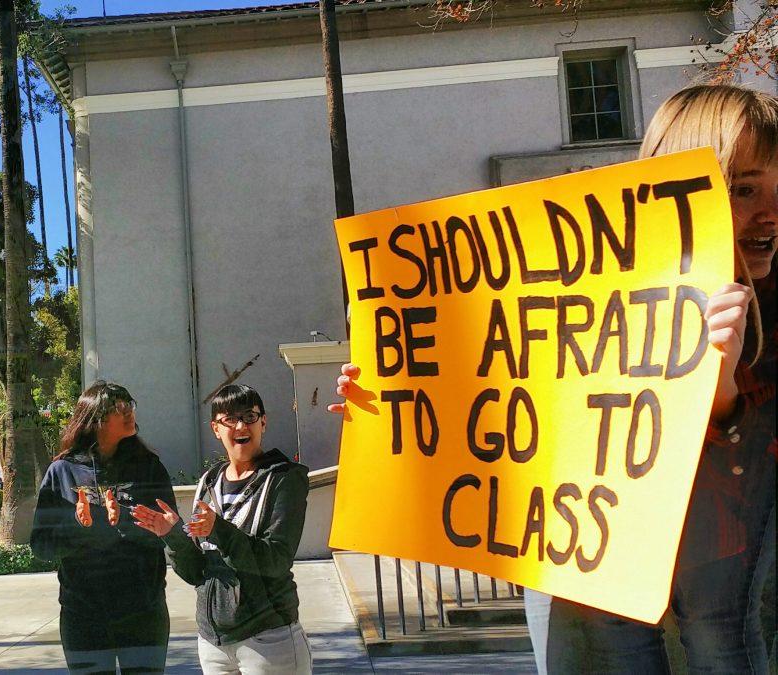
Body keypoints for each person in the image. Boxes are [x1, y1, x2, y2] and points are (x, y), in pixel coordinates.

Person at [330, 84, 777, 673]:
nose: (770, 213)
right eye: (744, 189)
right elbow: (506, 403)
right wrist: (393, 400)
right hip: (591, 590)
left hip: (722, 603)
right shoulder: (585, 290)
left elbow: (751, 480)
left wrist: (720, 392)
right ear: (691, 192)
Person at [133, 384, 313, 674]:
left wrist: (220, 529)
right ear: (216, 428)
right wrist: (173, 536)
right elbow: (196, 573)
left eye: (250, 416)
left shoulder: (284, 479)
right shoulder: (209, 482)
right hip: (213, 642)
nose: (241, 425)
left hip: (268, 639)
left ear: (263, 423)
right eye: (230, 418)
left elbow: (276, 560)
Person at [29, 381, 178, 674]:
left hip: (143, 612)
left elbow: (166, 533)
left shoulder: (148, 466)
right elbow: (41, 545)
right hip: (83, 615)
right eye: (117, 407)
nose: (128, 412)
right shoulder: (62, 471)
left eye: (129, 404)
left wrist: (124, 518)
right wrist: (78, 524)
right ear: (94, 419)